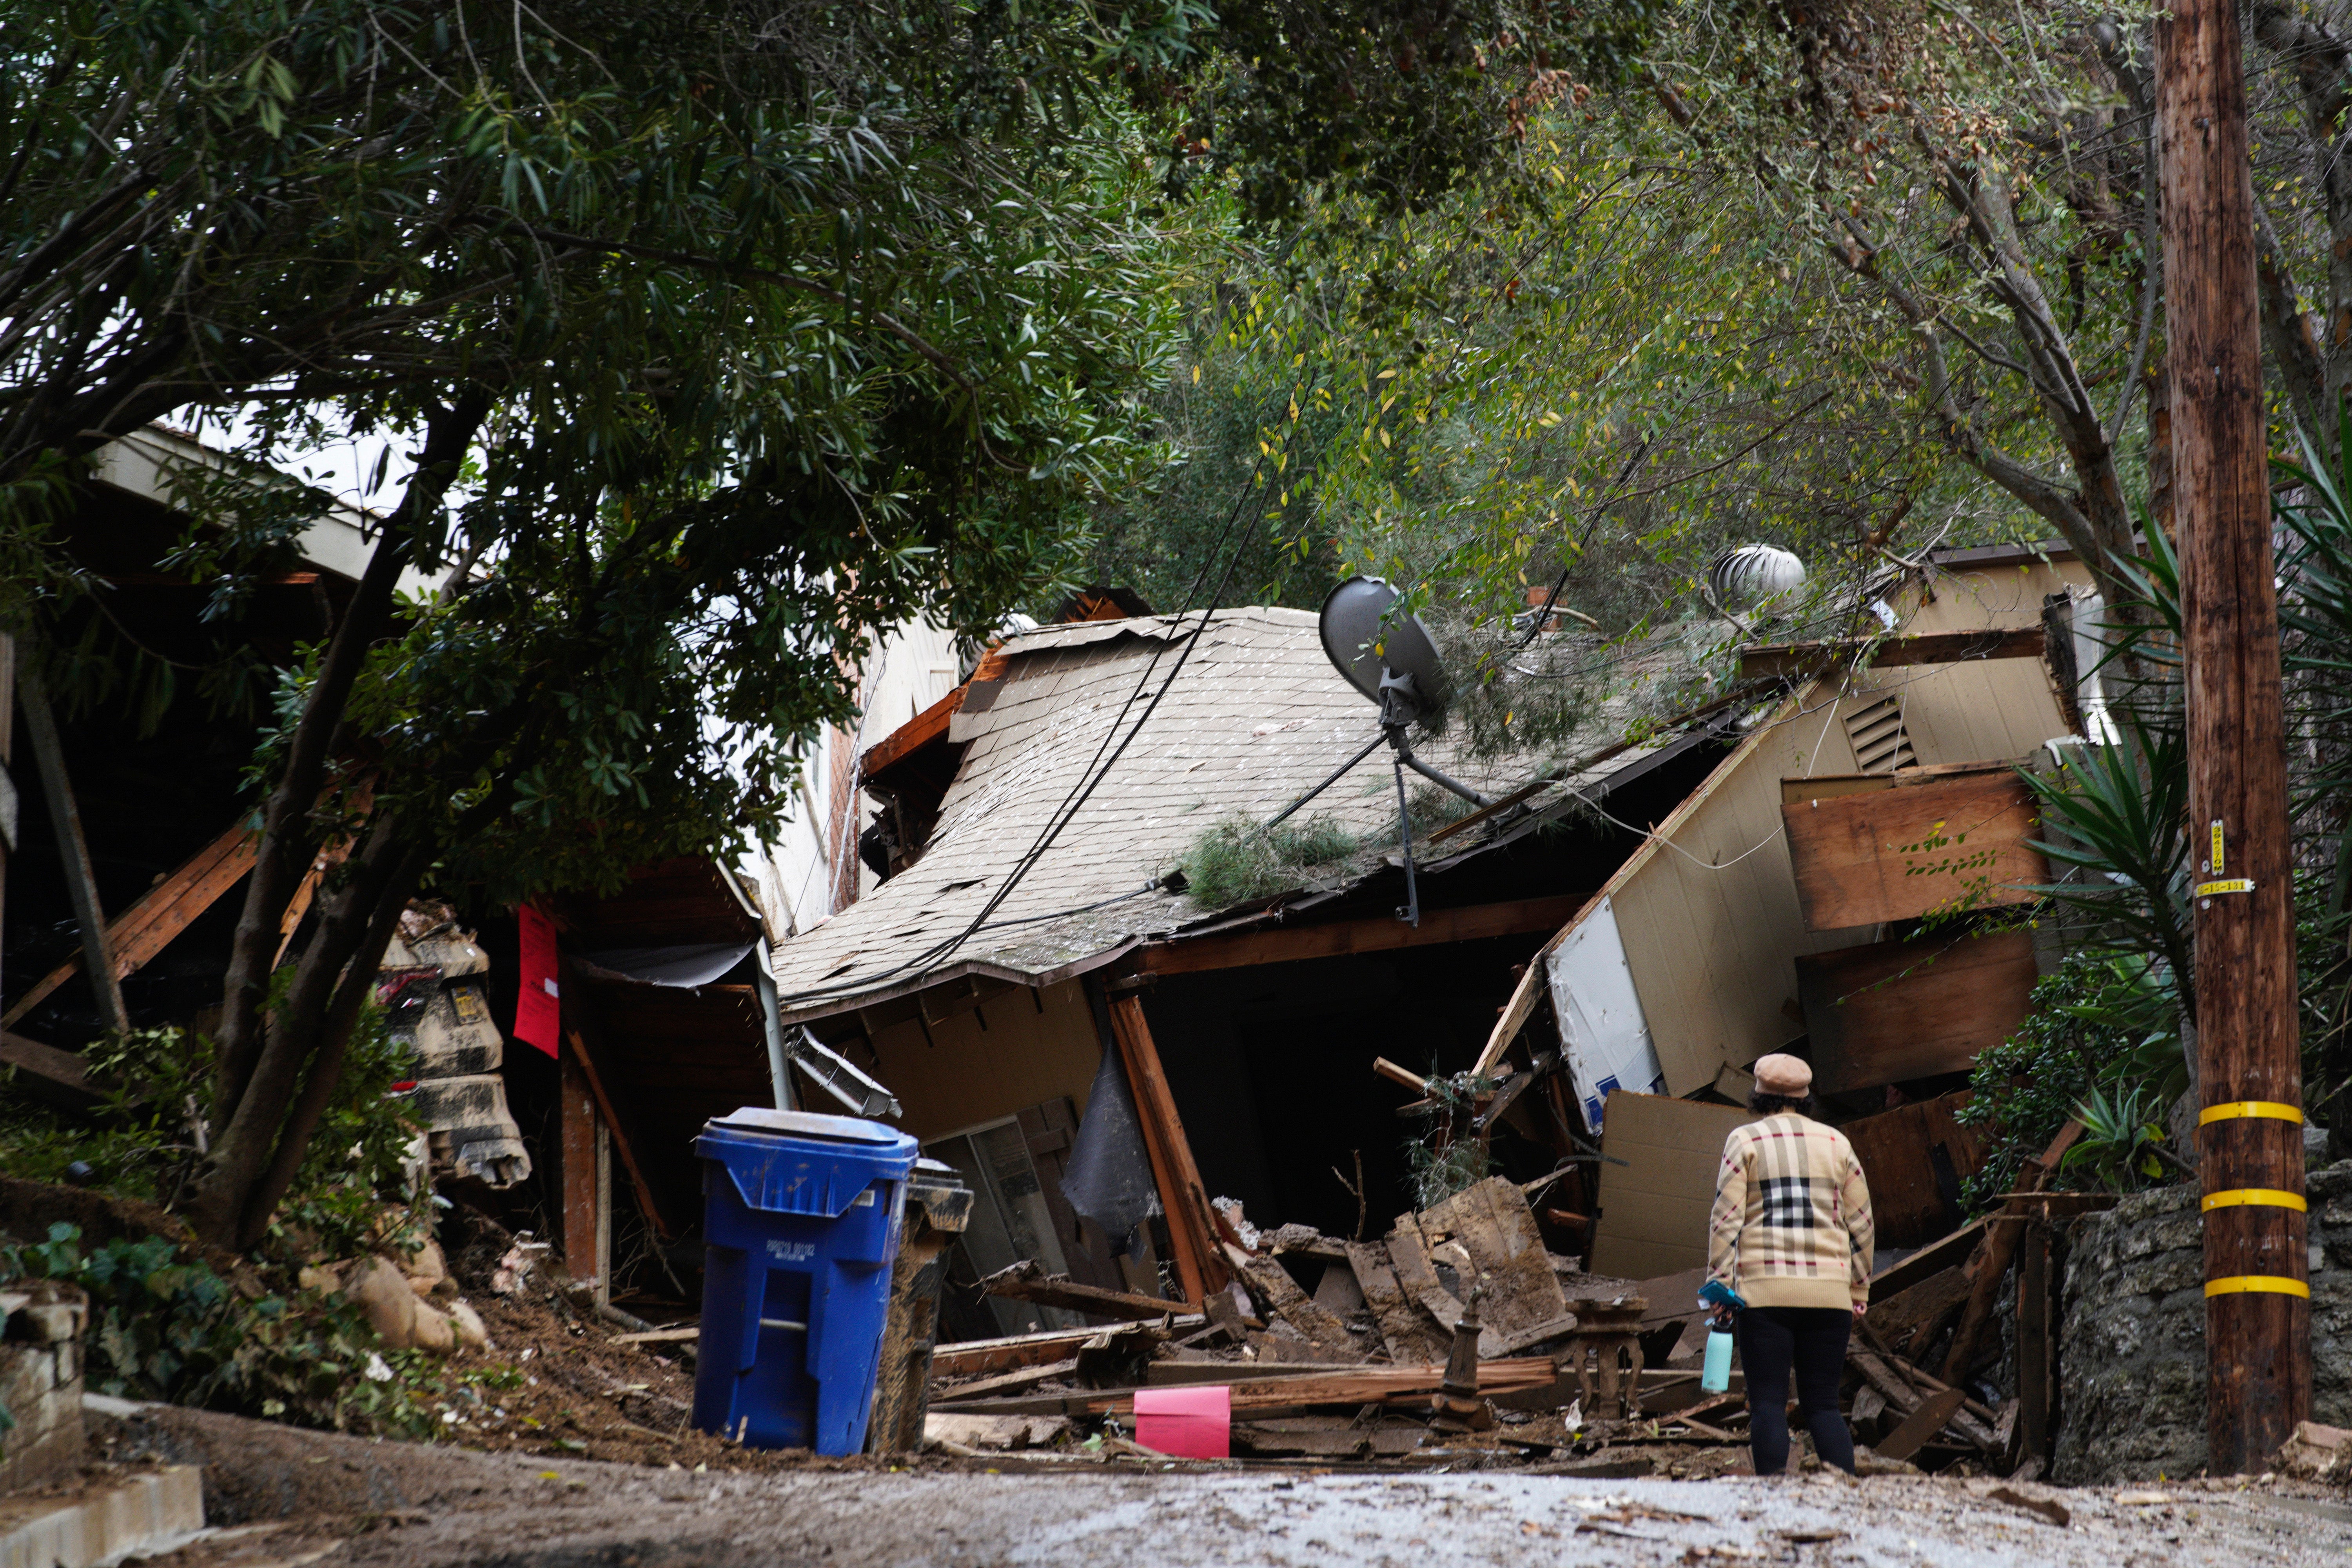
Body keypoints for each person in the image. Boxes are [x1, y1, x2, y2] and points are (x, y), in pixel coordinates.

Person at [1704, 1052, 1874, 1477]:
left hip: (1763, 1295)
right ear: (1805, 1098)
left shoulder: (1744, 1141)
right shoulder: (1838, 1144)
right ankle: (1846, 1498)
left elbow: (1726, 1221)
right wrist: (1858, 1288)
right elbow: (1863, 1224)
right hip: (1829, 1294)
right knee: (1823, 1406)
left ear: (1758, 1095)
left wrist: (1720, 1285)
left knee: (1767, 1404)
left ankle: (1774, 1499)